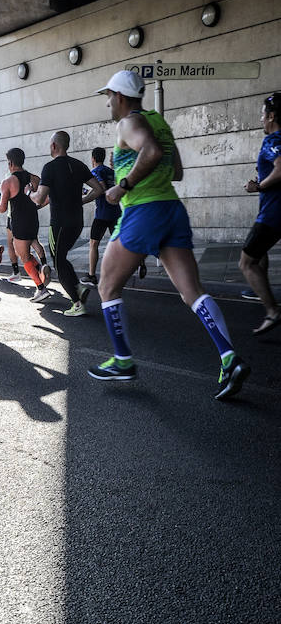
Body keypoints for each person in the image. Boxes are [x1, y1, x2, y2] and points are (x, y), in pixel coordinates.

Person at [87, 70, 249, 401]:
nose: (107, 103)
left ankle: (122, 361)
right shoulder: (159, 122)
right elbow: (176, 170)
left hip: (143, 211)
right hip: (171, 211)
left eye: (108, 97)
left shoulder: (128, 123)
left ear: (120, 97)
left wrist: (123, 185)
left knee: (106, 285)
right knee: (193, 293)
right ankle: (229, 358)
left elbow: (152, 153)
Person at [31, 130, 103, 315]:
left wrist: (27, 193)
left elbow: (39, 199)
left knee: (57, 261)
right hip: (76, 222)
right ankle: (78, 287)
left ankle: (77, 303)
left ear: (54, 145)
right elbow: (98, 189)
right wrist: (80, 201)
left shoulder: (49, 168)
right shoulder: (78, 165)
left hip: (59, 224)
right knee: (61, 258)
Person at [239, 92, 281, 335]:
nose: (261, 120)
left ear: (272, 116)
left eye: (263, 116)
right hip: (273, 211)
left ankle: (273, 311)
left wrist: (259, 186)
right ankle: (260, 289)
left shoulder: (274, 139)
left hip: (273, 213)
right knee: (260, 253)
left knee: (246, 262)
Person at [0, 147, 50, 302]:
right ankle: (42, 268)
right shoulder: (34, 178)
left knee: (23, 256)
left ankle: (41, 288)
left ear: (10, 162)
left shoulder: (8, 181)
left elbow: (3, 208)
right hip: (33, 220)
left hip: (19, 222)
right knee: (33, 244)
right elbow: (44, 199)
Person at [80, 147, 121, 287]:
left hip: (103, 213)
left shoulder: (96, 171)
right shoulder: (111, 171)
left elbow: (101, 188)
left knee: (93, 243)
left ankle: (91, 276)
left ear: (93, 158)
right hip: (115, 211)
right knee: (120, 242)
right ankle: (137, 264)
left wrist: (83, 200)